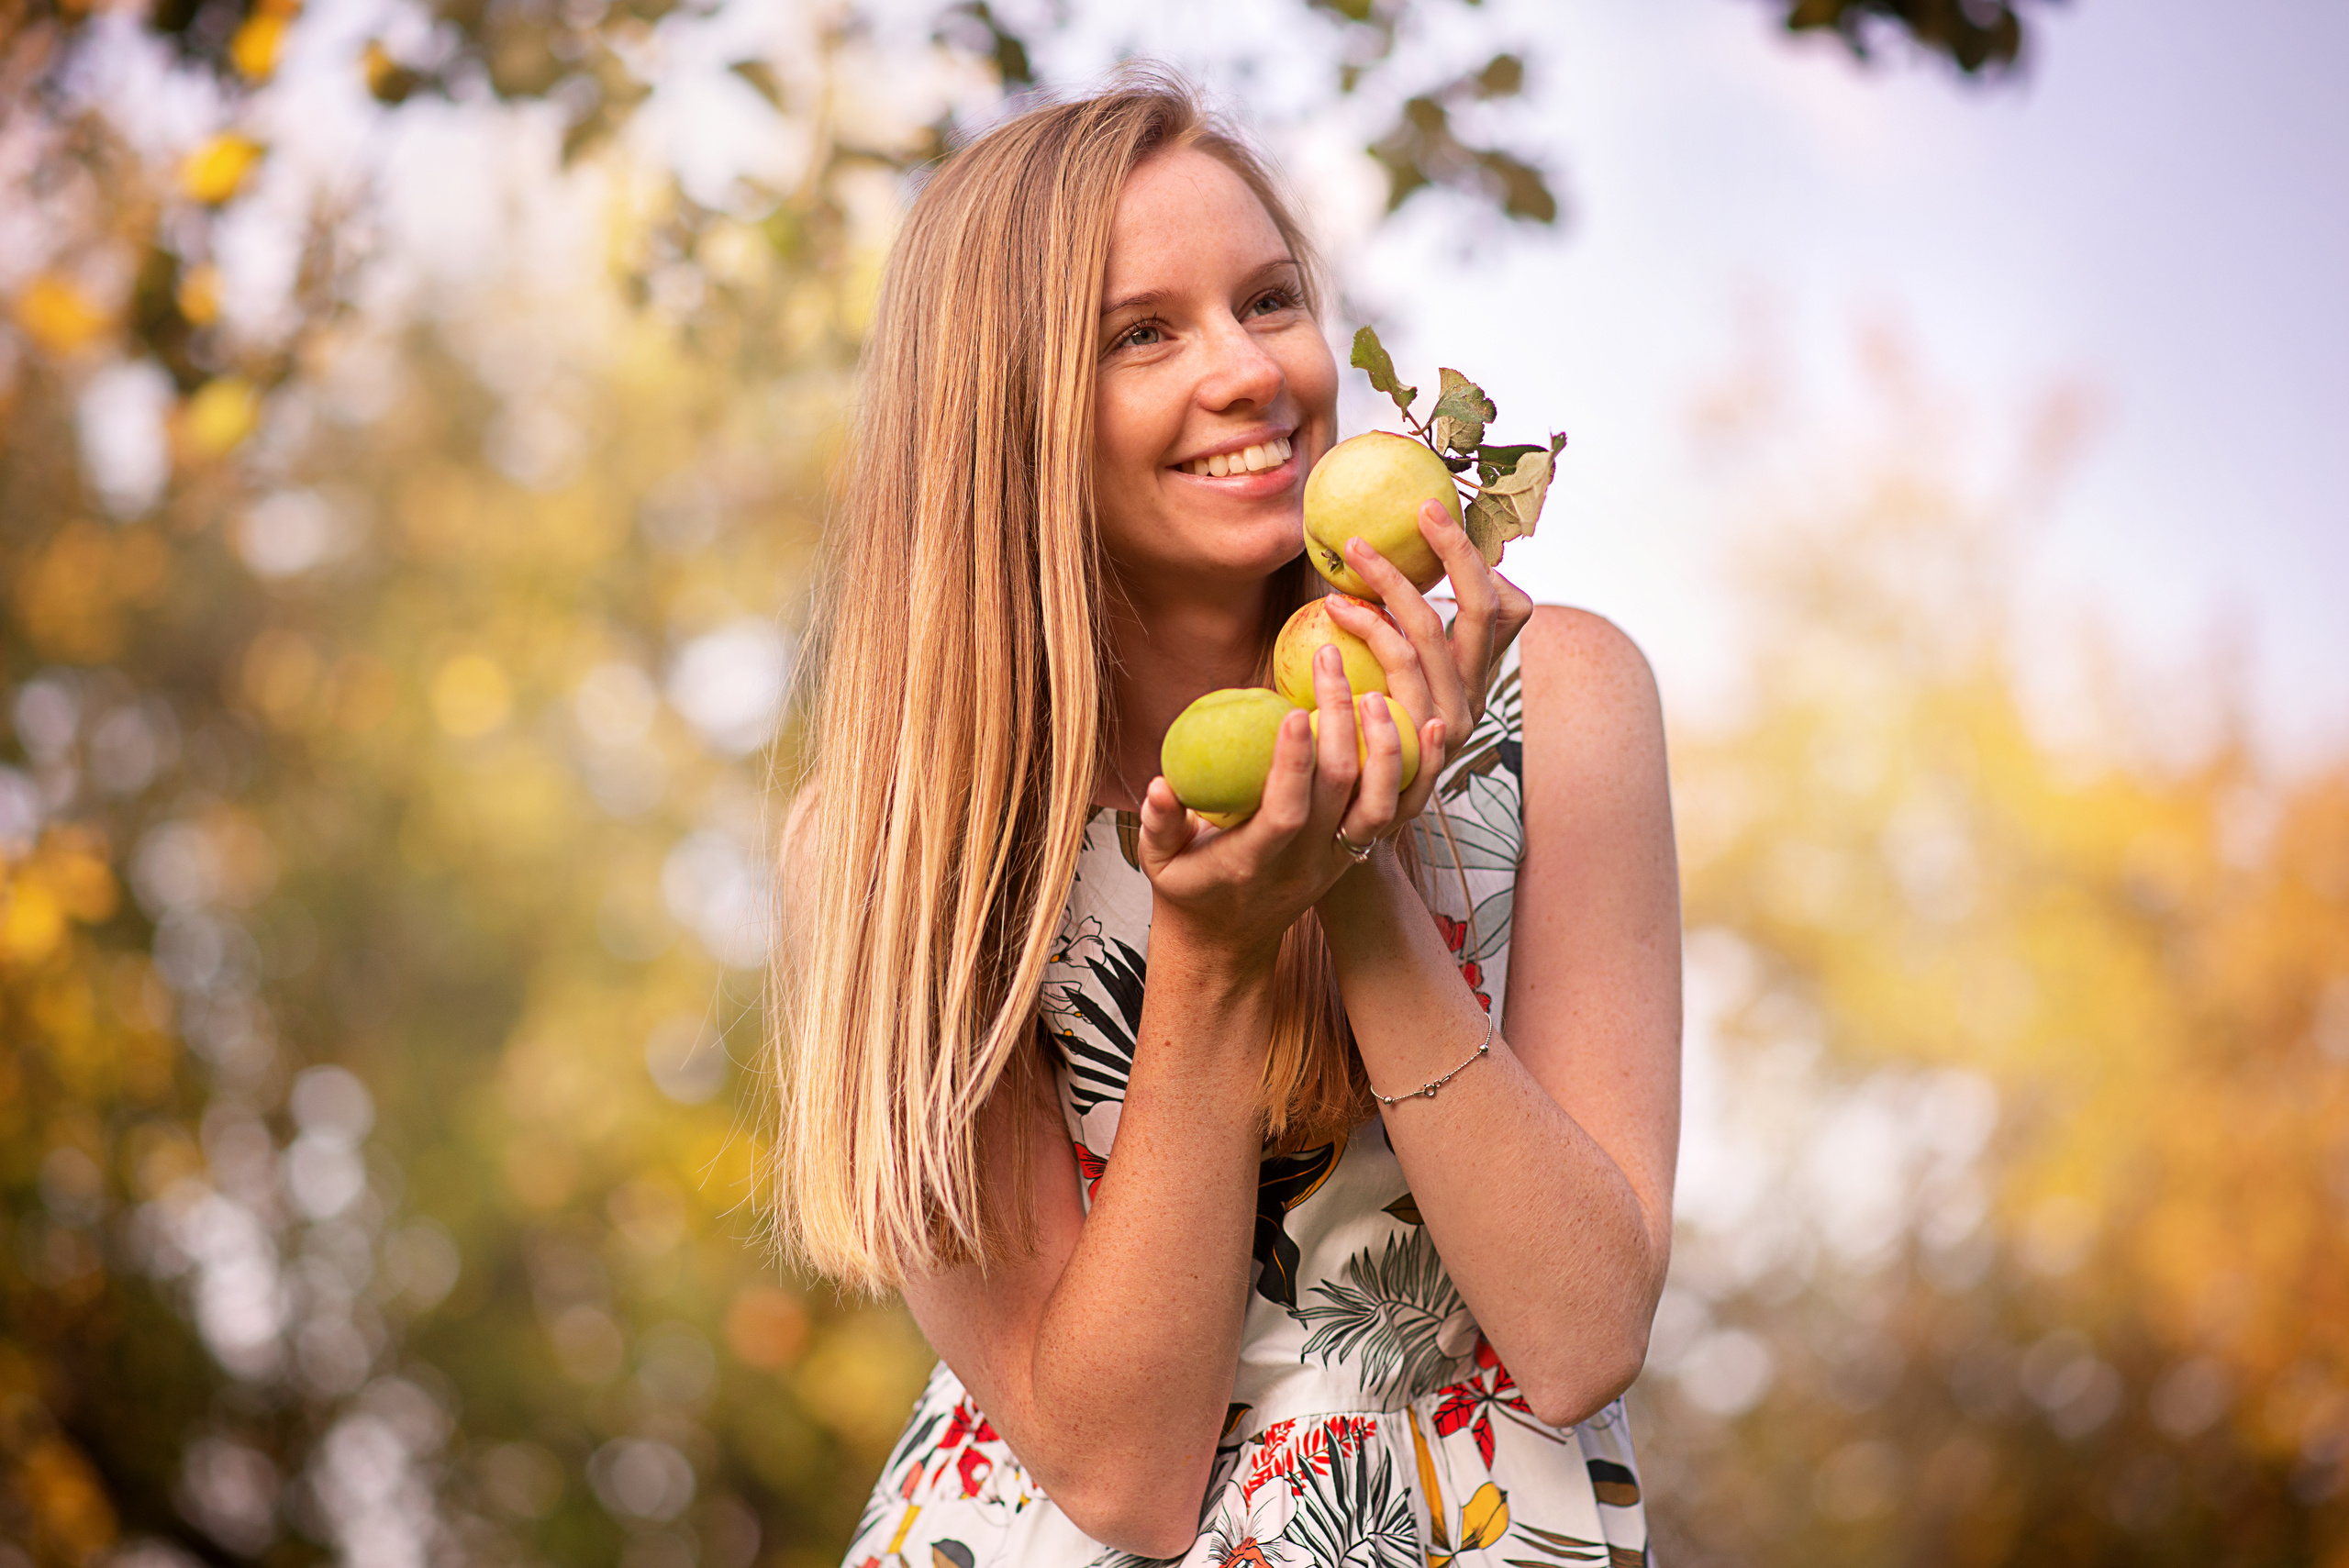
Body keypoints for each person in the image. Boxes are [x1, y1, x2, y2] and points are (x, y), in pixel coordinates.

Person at [771, 72, 1681, 1568]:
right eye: (1145, 332)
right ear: (1008, 417)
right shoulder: (895, 842)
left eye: (1269, 302)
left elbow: (1581, 1334)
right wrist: (1205, 952)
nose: (1252, 372)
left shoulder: (1557, 696)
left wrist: (1356, 864)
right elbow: (1122, 1476)